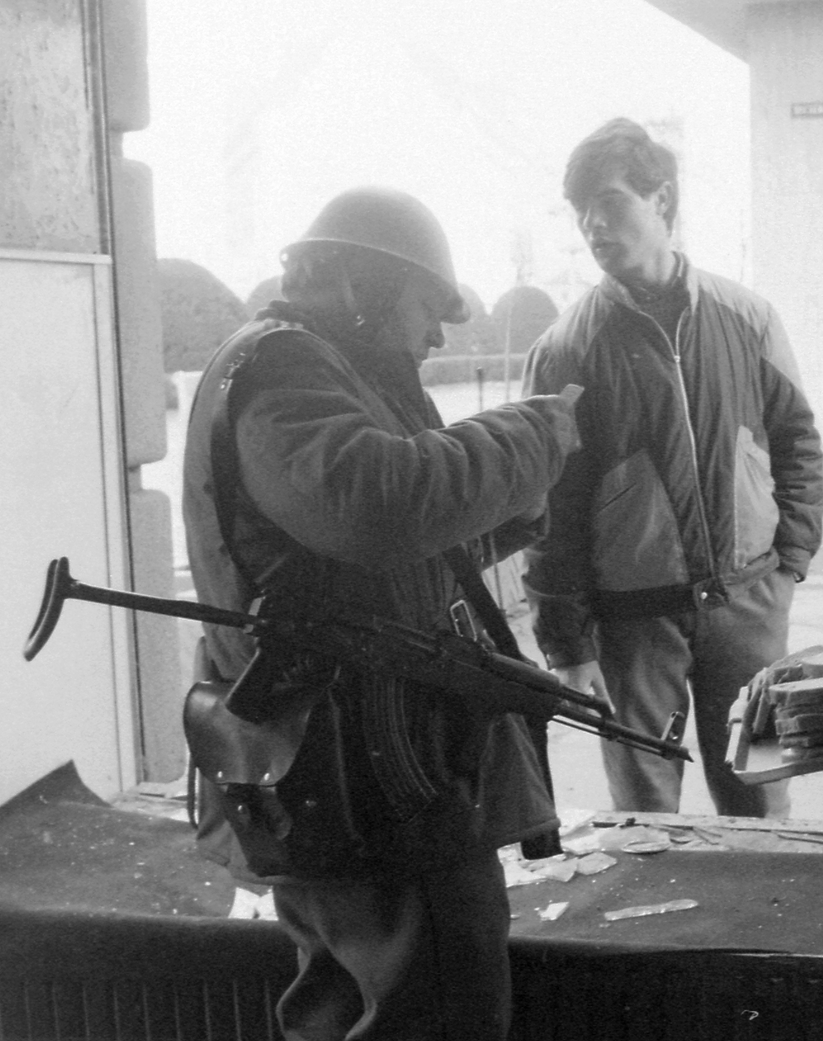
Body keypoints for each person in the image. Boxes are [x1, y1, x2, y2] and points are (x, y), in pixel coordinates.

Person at [182, 185, 581, 1040]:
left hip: (336, 781)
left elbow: (369, 571)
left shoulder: (324, 366)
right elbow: (375, 505)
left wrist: (512, 510)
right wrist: (531, 437)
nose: (437, 334)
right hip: (370, 789)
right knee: (440, 1011)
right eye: (427, 307)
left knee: (343, 1014)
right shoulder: (286, 367)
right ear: (365, 284)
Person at [522, 118, 823, 818]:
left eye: (611, 202)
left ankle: (759, 932)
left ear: (663, 202)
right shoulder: (565, 349)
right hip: (631, 628)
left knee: (762, 803)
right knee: (644, 820)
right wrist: (567, 643)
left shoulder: (746, 316)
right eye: (581, 210)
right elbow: (548, 509)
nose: (593, 224)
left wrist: (790, 563)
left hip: (750, 603)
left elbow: (797, 438)